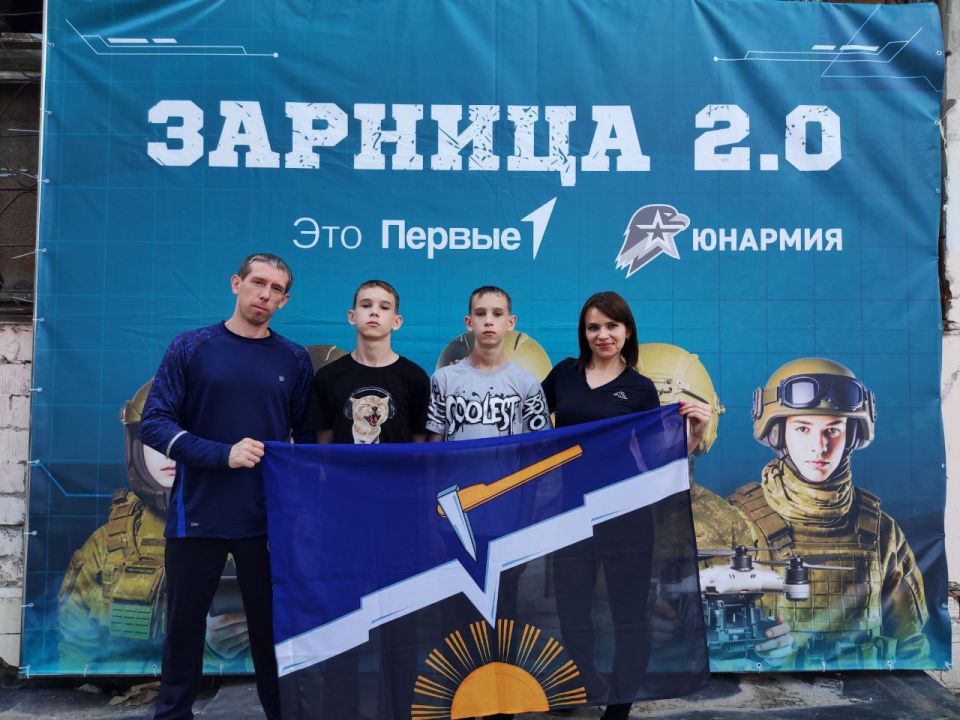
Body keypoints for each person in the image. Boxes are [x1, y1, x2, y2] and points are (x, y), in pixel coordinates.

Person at [140, 253, 313, 720]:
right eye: (258, 283)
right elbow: (153, 423)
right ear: (237, 283)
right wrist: (222, 454)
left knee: (272, 632)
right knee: (183, 629)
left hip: (266, 521)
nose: (265, 295)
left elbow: (305, 441)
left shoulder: (294, 358)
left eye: (276, 289)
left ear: (284, 300)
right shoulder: (191, 346)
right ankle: (173, 715)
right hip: (197, 513)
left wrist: (302, 508)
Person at [540, 292, 711, 720]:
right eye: (593, 327)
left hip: (625, 514)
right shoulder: (563, 376)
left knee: (628, 615)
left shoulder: (639, 388)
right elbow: (525, 423)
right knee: (572, 613)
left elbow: (656, 458)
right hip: (571, 513)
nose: (603, 335)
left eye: (611, 326)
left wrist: (695, 432)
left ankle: (619, 708)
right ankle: (584, 685)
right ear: (583, 333)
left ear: (627, 331)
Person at [728, 357, 929, 669]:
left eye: (833, 429)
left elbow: (911, 646)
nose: (819, 446)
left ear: (852, 435)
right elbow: (701, 637)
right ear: (778, 434)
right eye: (803, 428)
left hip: (864, 693)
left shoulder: (883, 532)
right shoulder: (735, 524)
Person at [58, 380, 252, 673]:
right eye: (157, 437)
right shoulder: (106, 544)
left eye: (189, 437)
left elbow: (288, 649)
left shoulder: (249, 532)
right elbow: (74, 653)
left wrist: (220, 653)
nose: (171, 452)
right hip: (122, 687)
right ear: (135, 445)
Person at [427, 286, 550, 720]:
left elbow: (538, 455)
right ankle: (462, 701)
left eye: (498, 314)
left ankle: (501, 704)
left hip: (507, 518)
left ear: (511, 323)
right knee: (456, 611)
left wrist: (528, 516)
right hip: (456, 517)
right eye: (481, 313)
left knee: (503, 610)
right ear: (469, 323)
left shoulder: (526, 383)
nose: (489, 321)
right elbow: (434, 449)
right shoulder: (445, 380)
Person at [310, 280, 430, 718]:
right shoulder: (329, 378)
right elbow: (324, 451)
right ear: (352, 316)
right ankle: (340, 709)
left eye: (383, 306)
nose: (373, 312)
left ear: (397, 320)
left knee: (400, 620)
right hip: (343, 520)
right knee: (342, 618)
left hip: (398, 520)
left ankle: (399, 710)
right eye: (365, 305)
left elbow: (419, 451)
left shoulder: (414, 378)